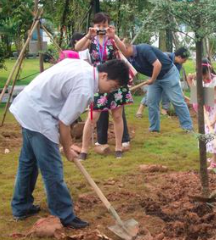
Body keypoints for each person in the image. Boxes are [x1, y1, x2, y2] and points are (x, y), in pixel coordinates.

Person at [9, 58, 129, 229]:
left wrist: (67, 145)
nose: (112, 91)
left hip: (27, 106)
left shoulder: (83, 66)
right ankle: (64, 215)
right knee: (52, 169)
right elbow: (63, 123)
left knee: (28, 162)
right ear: (104, 75)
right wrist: (67, 148)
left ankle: (21, 207)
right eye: (114, 86)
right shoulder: (84, 89)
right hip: (38, 115)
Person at [75, 12, 133, 160]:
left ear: (109, 26)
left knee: (117, 115)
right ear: (93, 26)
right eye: (98, 25)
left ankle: (119, 148)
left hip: (116, 82)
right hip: (98, 82)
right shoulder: (91, 40)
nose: (101, 28)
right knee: (92, 117)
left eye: (104, 25)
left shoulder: (112, 40)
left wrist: (115, 37)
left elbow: (126, 52)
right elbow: (77, 48)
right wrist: (88, 35)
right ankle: (84, 149)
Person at [121, 43, 193, 133]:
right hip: (155, 76)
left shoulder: (144, 49)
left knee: (177, 101)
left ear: (128, 47)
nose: (122, 53)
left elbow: (157, 65)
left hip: (168, 74)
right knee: (151, 101)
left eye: (122, 50)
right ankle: (154, 128)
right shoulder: (129, 58)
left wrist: (152, 79)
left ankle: (187, 128)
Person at [186, 59, 216, 169]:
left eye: (206, 76)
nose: (204, 79)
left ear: (210, 70)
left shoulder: (215, 80)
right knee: (209, 133)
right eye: (202, 77)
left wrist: (214, 119)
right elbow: (196, 92)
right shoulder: (198, 75)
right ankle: (213, 157)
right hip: (209, 105)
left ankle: (215, 160)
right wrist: (190, 80)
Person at [136, 47, 190, 118]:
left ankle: (164, 110)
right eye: (184, 60)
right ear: (179, 57)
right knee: (150, 94)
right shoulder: (165, 56)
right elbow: (155, 65)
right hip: (155, 76)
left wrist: (181, 94)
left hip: (167, 79)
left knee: (168, 91)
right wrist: (153, 78)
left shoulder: (179, 64)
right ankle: (140, 109)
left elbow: (175, 78)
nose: (185, 62)